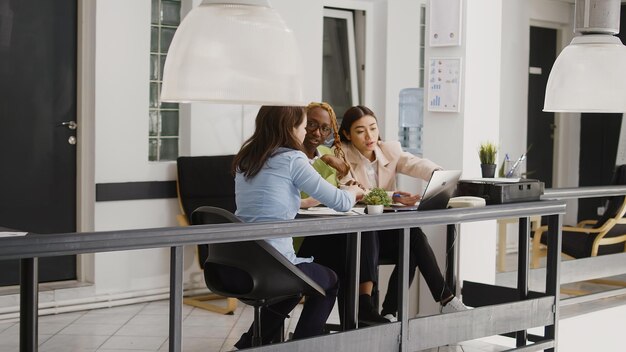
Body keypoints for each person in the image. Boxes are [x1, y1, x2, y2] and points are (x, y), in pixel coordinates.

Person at [232, 105, 365, 348]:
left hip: (242, 261)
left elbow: (265, 202)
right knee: (329, 281)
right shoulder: (293, 159)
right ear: (290, 128)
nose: (306, 133)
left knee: (294, 287)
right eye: (304, 127)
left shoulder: (248, 158)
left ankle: (246, 345)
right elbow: (342, 202)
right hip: (274, 263)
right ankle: (303, 345)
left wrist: (301, 201)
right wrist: (353, 191)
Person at [337, 105, 467, 322]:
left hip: (384, 232)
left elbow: (415, 163)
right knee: (411, 240)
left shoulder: (390, 150)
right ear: (347, 134)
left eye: (373, 128)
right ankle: (443, 298)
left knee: (412, 238)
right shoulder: (341, 155)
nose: (369, 136)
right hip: (356, 235)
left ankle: (393, 311)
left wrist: (438, 173)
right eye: (360, 131)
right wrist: (392, 196)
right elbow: (355, 192)